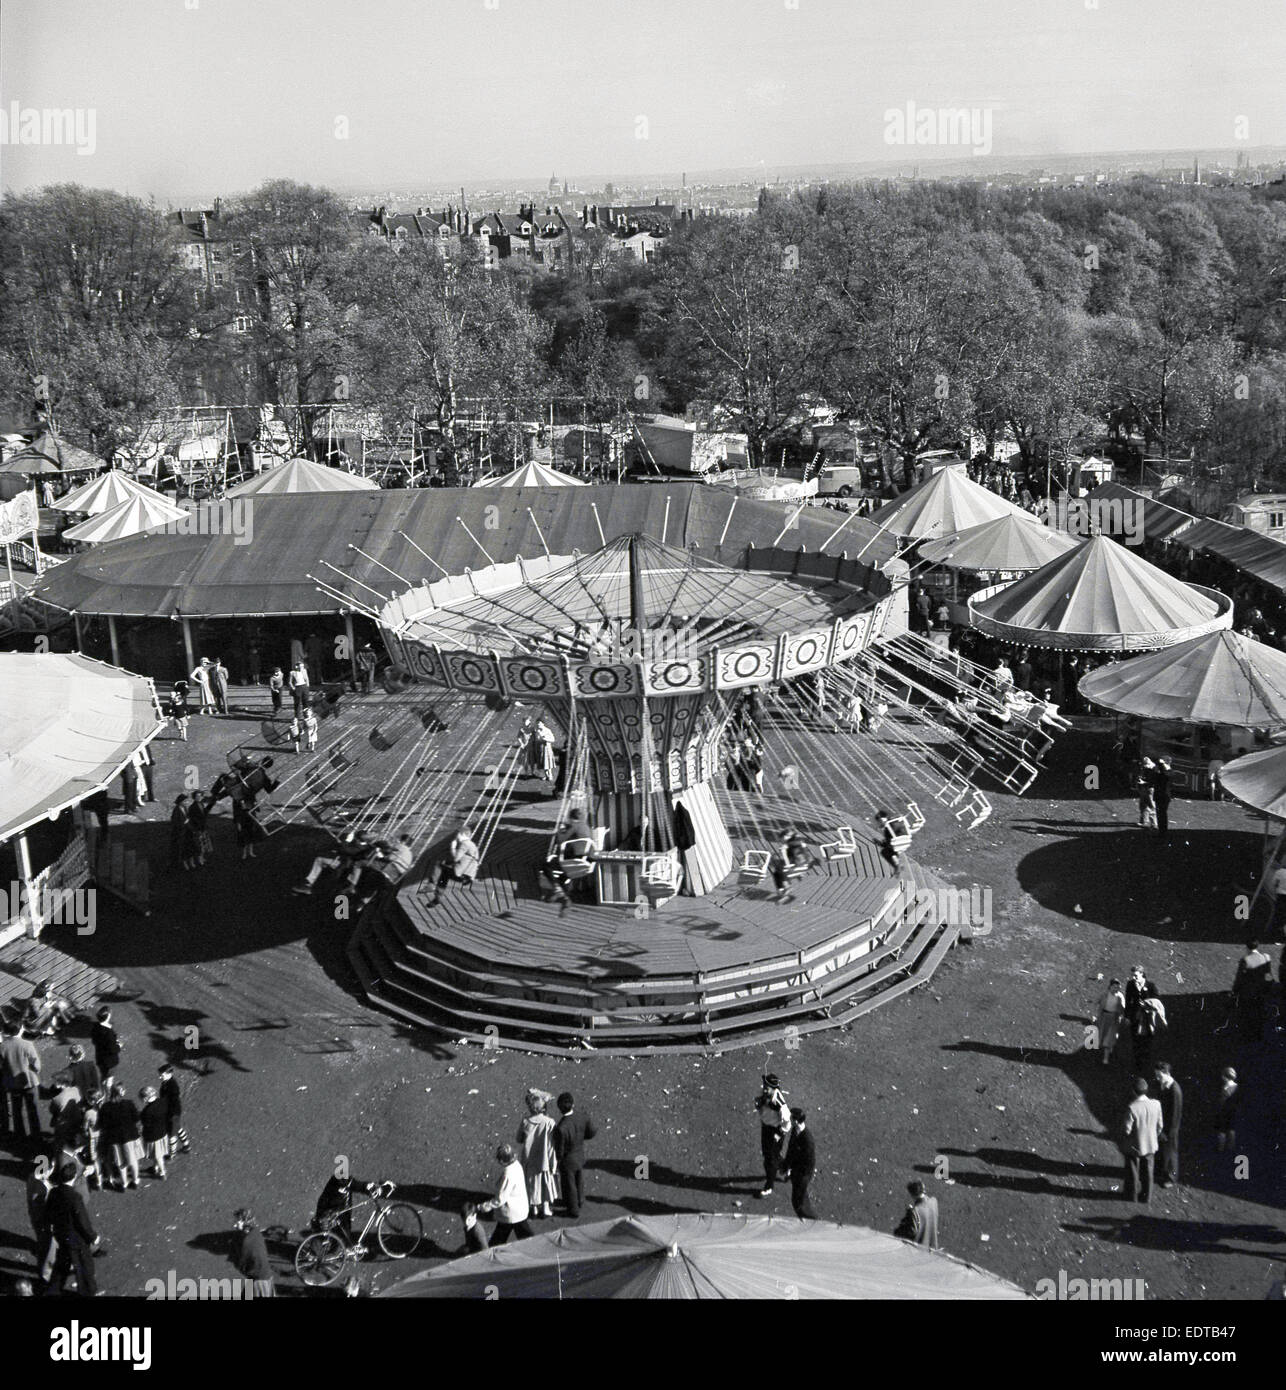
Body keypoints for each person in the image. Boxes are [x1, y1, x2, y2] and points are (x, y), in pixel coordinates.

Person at [44, 1163, 100, 1296]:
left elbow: (48, 1212)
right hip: (76, 1239)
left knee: (62, 1264)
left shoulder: (54, 1192)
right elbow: (82, 1221)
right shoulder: (75, 1198)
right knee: (84, 1267)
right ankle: (87, 1292)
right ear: (74, 1177)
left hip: (61, 1234)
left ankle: (53, 1290)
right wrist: (93, 1237)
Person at [552, 1092, 597, 1218]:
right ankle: (580, 1200)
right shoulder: (583, 1116)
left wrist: (558, 1161)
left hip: (568, 1160)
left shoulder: (561, 1127)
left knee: (569, 1184)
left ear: (560, 1108)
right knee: (579, 1179)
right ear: (573, 1104)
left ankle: (573, 1209)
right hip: (580, 1154)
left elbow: (559, 1149)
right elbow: (592, 1132)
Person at [517, 1090, 560, 1218]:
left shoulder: (525, 1122)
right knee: (545, 1181)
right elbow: (552, 1144)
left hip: (529, 1158)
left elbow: (519, 1139)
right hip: (544, 1158)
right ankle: (545, 1208)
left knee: (531, 1183)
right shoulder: (549, 1122)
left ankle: (534, 1208)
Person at [1121, 1076, 1163, 1204]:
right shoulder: (1156, 1104)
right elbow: (1160, 1126)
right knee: (1148, 1172)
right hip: (1150, 1145)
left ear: (1134, 1091)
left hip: (1135, 1146)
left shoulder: (1132, 1107)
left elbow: (1127, 1130)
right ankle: (1146, 1197)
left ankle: (1131, 1195)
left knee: (1133, 1172)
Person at [482, 1143, 533, 1244]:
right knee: (523, 1234)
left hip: (511, 1212)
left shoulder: (508, 1174)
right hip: (519, 1209)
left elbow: (501, 1198)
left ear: (502, 1160)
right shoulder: (517, 1165)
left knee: (500, 1236)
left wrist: (487, 1206)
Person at [1, 1019, 42, 1140]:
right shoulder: (27, 1045)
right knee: (32, 1109)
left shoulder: (2, 1047)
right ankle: (36, 1134)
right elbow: (36, 1064)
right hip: (28, 1081)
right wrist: (35, 1071)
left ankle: (20, 1134)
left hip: (12, 1082)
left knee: (16, 1109)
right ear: (19, 1030)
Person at [98, 1081, 142, 1190]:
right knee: (133, 1160)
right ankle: (135, 1180)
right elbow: (136, 1118)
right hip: (130, 1137)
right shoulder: (129, 1104)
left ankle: (124, 1183)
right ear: (121, 1092)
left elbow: (103, 1124)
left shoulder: (105, 1107)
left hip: (114, 1139)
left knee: (121, 1163)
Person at [425, 825, 481, 908]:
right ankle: (437, 898)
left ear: (462, 834)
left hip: (462, 874)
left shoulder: (465, 844)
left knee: (439, 865)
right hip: (468, 876)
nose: (456, 836)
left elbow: (456, 858)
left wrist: (453, 847)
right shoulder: (473, 845)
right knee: (444, 874)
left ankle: (431, 885)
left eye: (457, 834)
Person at [754, 1073, 791, 1198]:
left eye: (767, 1087)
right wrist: (759, 1104)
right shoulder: (764, 1093)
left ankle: (769, 1186)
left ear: (774, 1089)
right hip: (766, 1128)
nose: (764, 1089)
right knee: (769, 1154)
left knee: (769, 1160)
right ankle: (787, 1167)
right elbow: (758, 1103)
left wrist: (779, 1134)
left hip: (775, 1131)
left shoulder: (779, 1103)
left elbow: (787, 1122)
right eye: (764, 1085)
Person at [1231, 940, 1273, 1041]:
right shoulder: (1266, 957)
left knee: (1248, 1013)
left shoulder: (1245, 960)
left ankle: (1248, 1035)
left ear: (1247, 947)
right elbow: (1268, 974)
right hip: (1262, 990)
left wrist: (1235, 990)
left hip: (1248, 991)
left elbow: (1240, 978)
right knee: (1260, 1012)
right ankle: (1259, 1033)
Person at [780, 1108, 817, 1219]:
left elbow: (808, 1162)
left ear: (796, 1120)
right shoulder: (796, 1130)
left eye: (792, 1117)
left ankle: (809, 1218)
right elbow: (791, 1150)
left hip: (802, 1174)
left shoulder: (807, 1140)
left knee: (798, 1199)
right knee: (799, 1194)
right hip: (796, 1170)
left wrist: (792, 1171)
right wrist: (787, 1166)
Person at [231, 1210, 275, 1297]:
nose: (234, 1225)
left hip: (258, 1280)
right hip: (265, 1275)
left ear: (244, 1223)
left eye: (237, 1222)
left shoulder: (246, 1242)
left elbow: (242, 1263)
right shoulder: (256, 1232)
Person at [1154, 1063, 1182, 1188]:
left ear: (1166, 1073)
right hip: (1163, 1126)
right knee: (1163, 1151)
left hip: (1170, 1129)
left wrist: (1167, 1132)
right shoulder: (1164, 1085)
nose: (1157, 1078)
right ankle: (1162, 1172)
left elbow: (1175, 1115)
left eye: (1159, 1075)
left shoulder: (1174, 1090)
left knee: (1171, 1153)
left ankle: (1171, 1177)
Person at [157, 1063, 191, 1157]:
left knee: (171, 1134)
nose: (160, 1077)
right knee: (178, 1128)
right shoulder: (167, 1083)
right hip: (174, 1112)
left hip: (171, 1113)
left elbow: (171, 1101)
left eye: (162, 1075)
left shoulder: (172, 1087)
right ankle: (186, 1145)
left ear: (169, 1074)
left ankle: (172, 1153)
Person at [895, 1179, 940, 1248]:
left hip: (920, 1247)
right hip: (932, 1245)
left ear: (913, 1195)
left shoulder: (915, 1211)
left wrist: (910, 1213)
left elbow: (911, 1232)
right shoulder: (934, 1201)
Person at [139, 1087, 169, 1180]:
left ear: (145, 1098)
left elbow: (145, 1124)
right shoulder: (162, 1102)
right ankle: (155, 1167)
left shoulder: (147, 1111)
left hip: (152, 1136)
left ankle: (162, 1172)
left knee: (157, 1155)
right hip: (162, 1132)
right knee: (158, 1154)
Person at [1095, 977, 1126, 1065]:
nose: (1116, 989)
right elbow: (1097, 1002)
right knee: (1102, 1035)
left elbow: (1123, 1009)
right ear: (1110, 986)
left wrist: (1121, 1014)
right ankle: (1110, 1045)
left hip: (1113, 1018)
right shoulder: (1104, 994)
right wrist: (1096, 1014)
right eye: (1114, 987)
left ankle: (1106, 1058)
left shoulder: (1120, 997)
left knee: (1108, 1038)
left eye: (1118, 987)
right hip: (1104, 1017)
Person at [1213, 1067, 1239, 1152]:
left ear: (1224, 1077)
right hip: (1226, 1115)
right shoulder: (1225, 1087)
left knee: (1227, 1134)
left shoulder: (1233, 1088)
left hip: (1229, 1115)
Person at [1151, 757, 1173, 839]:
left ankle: (1163, 832)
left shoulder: (1169, 772)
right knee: (1160, 814)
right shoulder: (1162, 772)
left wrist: (1162, 766)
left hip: (1164, 796)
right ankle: (1161, 831)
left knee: (1162, 814)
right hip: (1160, 796)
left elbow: (1166, 776)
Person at [1135, 758, 1157, 829]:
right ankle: (1144, 821)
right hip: (1144, 788)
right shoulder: (1145, 769)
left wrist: (1143, 782)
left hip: (1149, 789)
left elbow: (1153, 782)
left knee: (1151, 806)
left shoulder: (1153, 770)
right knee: (1143, 805)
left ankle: (1154, 824)